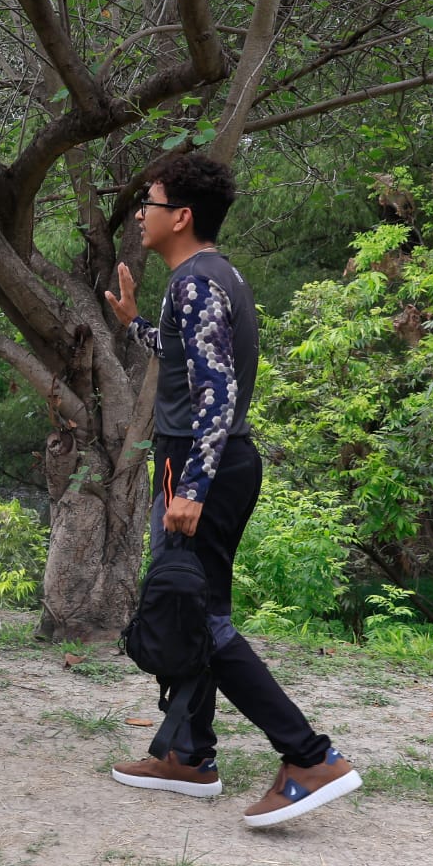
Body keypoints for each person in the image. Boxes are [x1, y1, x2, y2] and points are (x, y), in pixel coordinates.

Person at [105, 152, 361, 827]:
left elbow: (217, 391)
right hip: (211, 462)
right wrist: (134, 321)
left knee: (200, 618)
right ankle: (189, 756)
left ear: (180, 216)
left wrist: (190, 485)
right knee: (195, 607)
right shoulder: (210, 277)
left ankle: (309, 756)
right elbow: (192, 359)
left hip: (201, 465)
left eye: (150, 203)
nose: (140, 214)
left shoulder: (194, 283)